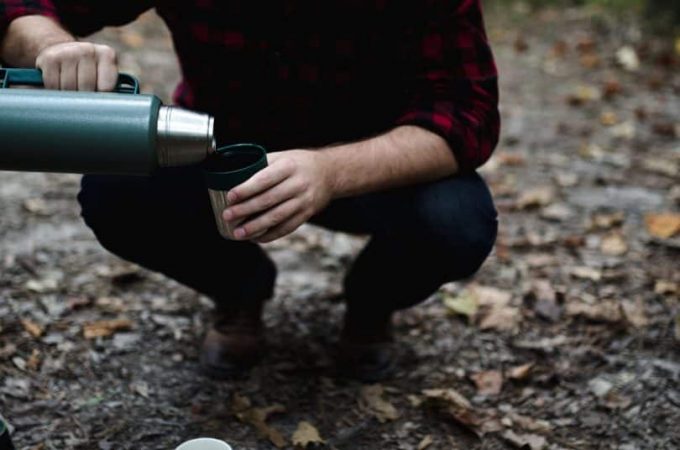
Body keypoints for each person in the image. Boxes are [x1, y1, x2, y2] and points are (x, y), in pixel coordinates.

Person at [0, 1, 500, 382]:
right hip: (221, 151)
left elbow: (467, 113)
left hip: (374, 167)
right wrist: (48, 44)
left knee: (455, 222)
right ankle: (238, 292)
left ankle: (371, 305)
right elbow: (23, 6)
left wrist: (329, 172)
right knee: (116, 192)